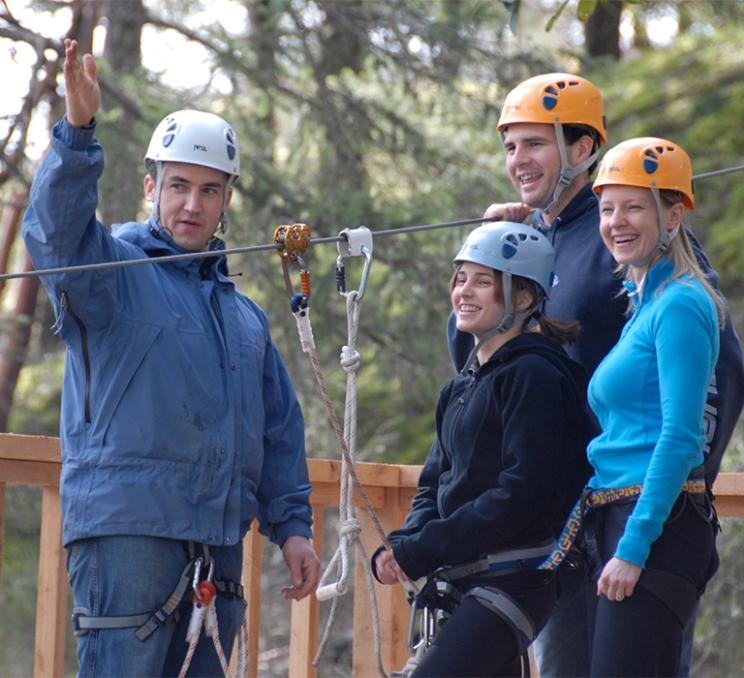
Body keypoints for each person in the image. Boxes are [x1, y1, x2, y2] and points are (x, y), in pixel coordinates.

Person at [22, 39, 320, 676]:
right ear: (152, 185)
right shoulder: (111, 273)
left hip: (217, 547)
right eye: (179, 185)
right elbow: (56, 233)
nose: (192, 204)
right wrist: (77, 135)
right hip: (127, 538)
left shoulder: (243, 319)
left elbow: (277, 431)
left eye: (209, 191)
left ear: (225, 203)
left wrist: (293, 527)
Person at [447, 73, 744, 677]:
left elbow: (721, 374)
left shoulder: (645, 253)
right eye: (510, 146)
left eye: (535, 143)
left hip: (635, 509)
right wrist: (493, 247)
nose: (518, 161)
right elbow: (477, 364)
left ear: (581, 150)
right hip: (559, 513)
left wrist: (676, 491)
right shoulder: (530, 239)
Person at [373, 221, 595, 677]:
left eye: (483, 281)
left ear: (524, 298)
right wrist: (404, 543)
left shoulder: (536, 377)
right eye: (460, 279)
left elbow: (522, 495)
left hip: (517, 578)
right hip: (467, 580)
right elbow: (433, 485)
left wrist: (425, 548)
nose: (464, 292)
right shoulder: (460, 387)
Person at [583, 136, 723, 675]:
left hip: (653, 529)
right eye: (607, 207)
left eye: (634, 206)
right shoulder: (646, 305)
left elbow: (682, 436)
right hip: (625, 519)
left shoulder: (682, 303)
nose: (617, 221)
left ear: (673, 214)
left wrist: (635, 545)